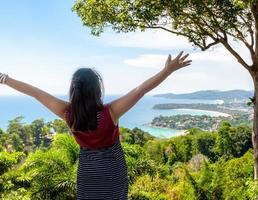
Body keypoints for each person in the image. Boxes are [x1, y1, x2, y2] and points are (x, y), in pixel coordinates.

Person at [0, 51, 192, 199]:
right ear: (97, 90)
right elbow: (141, 90)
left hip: (87, 174)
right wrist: (167, 70)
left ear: (73, 90)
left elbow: (36, 93)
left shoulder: (69, 114)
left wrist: (5, 79)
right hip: (113, 172)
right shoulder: (111, 112)